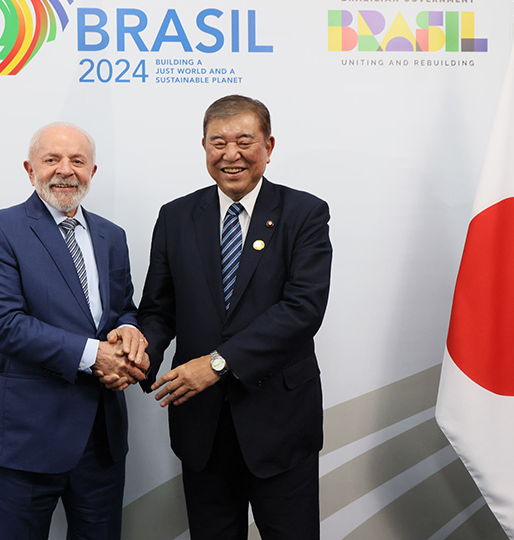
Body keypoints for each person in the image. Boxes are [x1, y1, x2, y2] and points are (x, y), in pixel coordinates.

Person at [137, 95, 333, 540]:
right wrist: (137, 354)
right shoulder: (176, 216)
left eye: (244, 141)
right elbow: (159, 309)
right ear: (204, 146)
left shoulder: (304, 213)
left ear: (269, 145)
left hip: (279, 423)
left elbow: (302, 310)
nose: (231, 154)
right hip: (202, 425)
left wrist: (218, 363)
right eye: (217, 142)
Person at [0, 122, 149, 540]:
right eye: (52, 160)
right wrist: (96, 355)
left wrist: (127, 333)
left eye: (77, 161)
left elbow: (123, 309)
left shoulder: (111, 236)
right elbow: (3, 324)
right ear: (30, 169)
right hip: (24, 440)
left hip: (101, 441)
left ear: (93, 172)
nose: (64, 170)